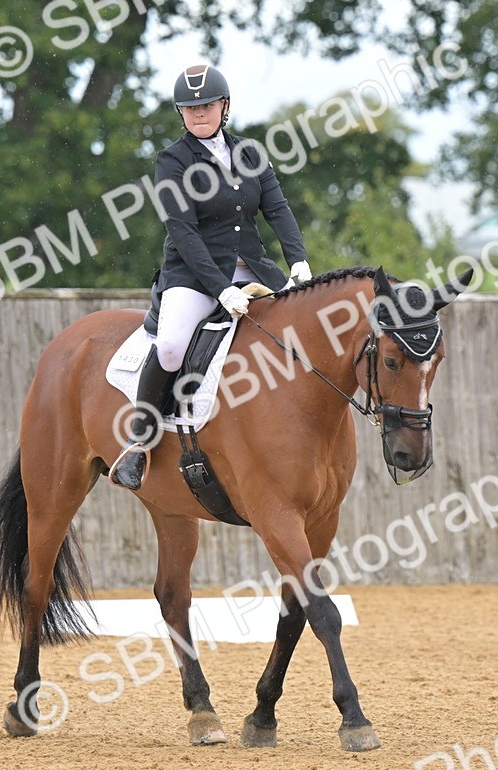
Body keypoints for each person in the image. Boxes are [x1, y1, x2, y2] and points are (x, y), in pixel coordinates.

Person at [110, 64, 313, 490]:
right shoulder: (172, 161)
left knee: (303, 335)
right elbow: (182, 231)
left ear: (225, 106)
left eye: (207, 105)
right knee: (168, 348)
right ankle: (139, 440)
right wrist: (221, 290)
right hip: (194, 276)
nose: (199, 113)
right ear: (181, 113)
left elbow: (277, 209)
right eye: (190, 107)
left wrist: (297, 262)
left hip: (255, 269)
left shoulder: (250, 153)